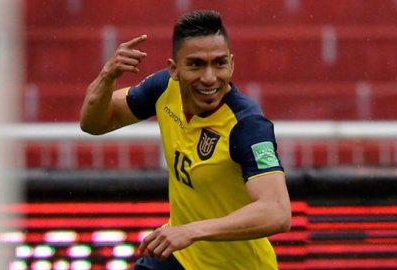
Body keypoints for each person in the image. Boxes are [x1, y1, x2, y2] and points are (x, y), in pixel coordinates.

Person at [80, 10, 291, 270]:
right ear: (173, 69)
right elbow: (94, 123)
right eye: (196, 64)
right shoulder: (163, 88)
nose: (210, 77)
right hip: (179, 258)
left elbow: (277, 212)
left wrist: (191, 231)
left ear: (232, 64)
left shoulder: (247, 125)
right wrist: (107, 77)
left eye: (219, 63)